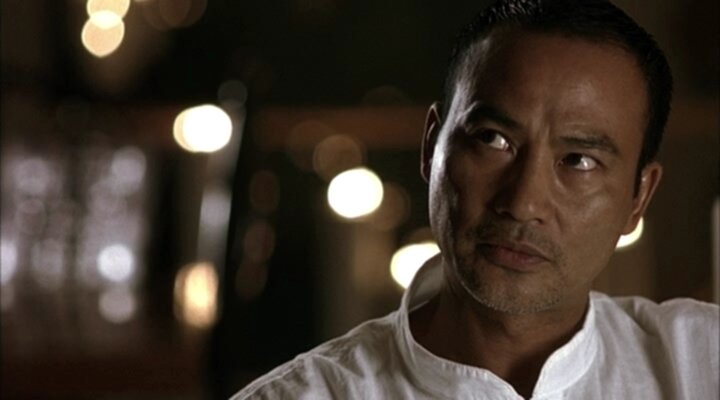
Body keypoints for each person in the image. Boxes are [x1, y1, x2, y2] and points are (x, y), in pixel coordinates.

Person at [231, 0, 719, 398]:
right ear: (431, 147)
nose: (523, 202)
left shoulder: (699, 364)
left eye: (579, 161)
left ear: (638, 197)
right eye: (493, 139)